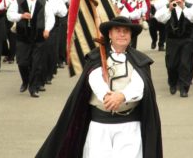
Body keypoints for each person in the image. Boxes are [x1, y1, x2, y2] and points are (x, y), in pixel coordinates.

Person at [36, 16, 162, 158]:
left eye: (126, 31)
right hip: (99, 126)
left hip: (130, 126)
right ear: (110, 34)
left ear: (131, 35)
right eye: (118, 31)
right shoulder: (97, 57)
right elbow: (94, 78)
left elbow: (140, 85)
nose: (122, 34)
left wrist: (122, 96)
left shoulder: (140, 60)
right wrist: (106, 96)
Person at [6, 0, 55, 98]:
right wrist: (21, 15)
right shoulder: (19, 0)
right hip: (23, 36)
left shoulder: (43, 2)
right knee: (22, 61)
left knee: (36, 63)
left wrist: (47, 29)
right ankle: (25, 80)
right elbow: (9, 15)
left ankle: (33, 88)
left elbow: (50, 17)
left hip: (38, 37)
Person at [155, 0, 193, 97]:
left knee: (185, 63)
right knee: (171, 64)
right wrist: (169, 9)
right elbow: (159, 18)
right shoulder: (167, 6)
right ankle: (172, 82)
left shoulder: (191, 6)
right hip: (172, 39)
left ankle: (184, 88)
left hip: (187, 39)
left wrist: (183, 7)